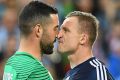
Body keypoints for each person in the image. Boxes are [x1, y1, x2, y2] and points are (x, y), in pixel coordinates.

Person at [3, 1, 59, 80]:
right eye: (55, 29)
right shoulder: (37, 72)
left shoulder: (10, 63)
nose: (58, 35)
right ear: (38, 30)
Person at [57, 11, 114, 80]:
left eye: (66, 30)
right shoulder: (70, 75)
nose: (59, 35)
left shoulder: (95, 72)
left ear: (83, 39)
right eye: (60, 30)